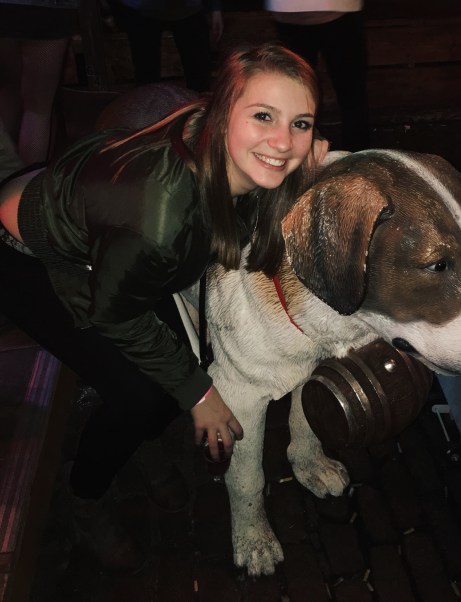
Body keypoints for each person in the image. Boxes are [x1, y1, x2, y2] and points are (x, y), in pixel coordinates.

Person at [0, 42, 328, 571]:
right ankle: (85, 496)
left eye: (301, 123)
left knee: (175, 369)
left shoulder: (233, 157)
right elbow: (117, 313)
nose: (283, 141)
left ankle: (137, 437)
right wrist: (200, 394)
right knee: (144, 395)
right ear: (223, 112)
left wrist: (304, 172)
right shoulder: (162, 219)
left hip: (104, 233)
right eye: (264, 116)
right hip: (33, 256)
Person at [266, 0, 369, 151]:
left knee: (297, 95)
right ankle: (358, 155)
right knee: (351, 95)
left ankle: (302, 152)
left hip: (295, 14)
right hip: (335, 12)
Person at [0, 0, 79, 166]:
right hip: (47, 8)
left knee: (8, 94)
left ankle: (5, 175)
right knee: (38, 109)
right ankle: (28, 179)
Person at [108, 0, 223, 91]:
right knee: (146, 80)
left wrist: (215, 8)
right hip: (141, 11)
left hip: (189, 10)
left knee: (199, 78)